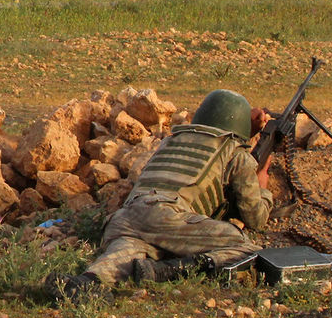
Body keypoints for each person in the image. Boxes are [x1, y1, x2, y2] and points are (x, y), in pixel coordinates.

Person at [46, 89, 273, 301]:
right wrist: (263, 186)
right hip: (168, 217)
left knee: (125, 254)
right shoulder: (235, 153)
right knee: (244, 248)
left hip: (126, 218)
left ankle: (84, 283)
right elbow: (255, 218)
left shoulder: (170, 141)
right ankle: (165, 271)